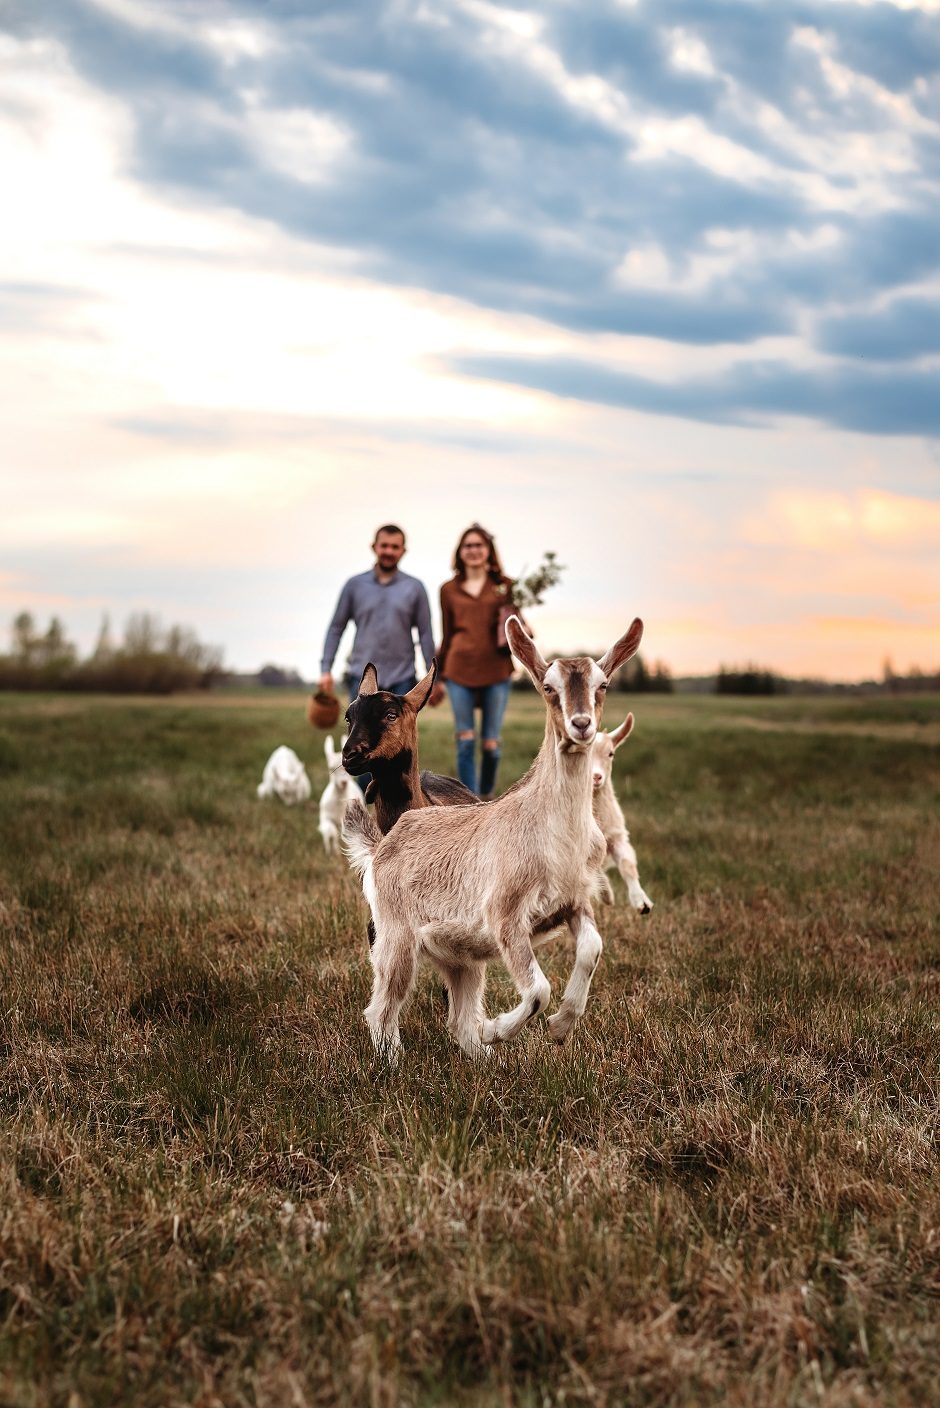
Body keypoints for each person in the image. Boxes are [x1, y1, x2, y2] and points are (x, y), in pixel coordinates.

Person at [438, 523, 518, 799]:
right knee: (464, 742)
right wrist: (436, 677)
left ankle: (485, 797)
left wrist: (524, 630)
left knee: (491, 746)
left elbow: (514, 626)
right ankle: (470, 804)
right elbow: (447, 635)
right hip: (458, 670)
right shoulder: (448, 590)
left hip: (496, 671)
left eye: (478, 545)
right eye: (468, 546)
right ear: (460, 552)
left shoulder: (505, 586)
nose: (473, 551)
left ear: (488, 551)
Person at [319, 524, 439, 705]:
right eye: (384, 545)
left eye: (395, 547)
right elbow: (336, 628)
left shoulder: (415, 588)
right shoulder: (354, 585)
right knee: (361, 733)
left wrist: (432, 680)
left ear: (403, 551)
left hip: (402, 678)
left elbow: (425, 634)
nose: (389, 551)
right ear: (374, 547)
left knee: (399, 734)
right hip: (361, 678)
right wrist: (326, 670)